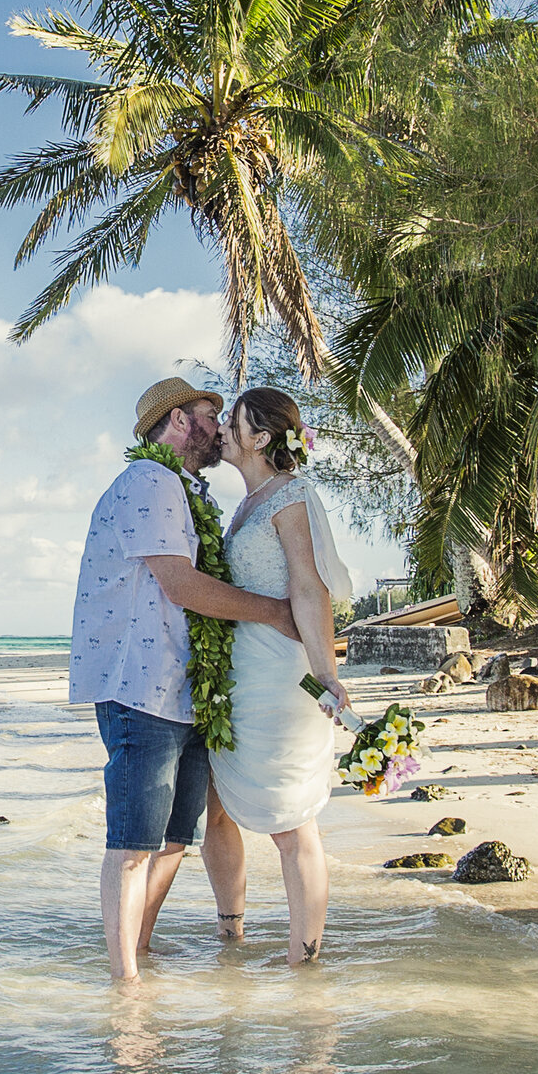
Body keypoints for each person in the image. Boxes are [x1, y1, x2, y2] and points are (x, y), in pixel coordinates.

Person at [74, 376, 302, 982]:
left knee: (177, 837)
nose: (220, 422)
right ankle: (124, 990)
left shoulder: (183, 488)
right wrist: (279, 614)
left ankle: (139, 954)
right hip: (141, 689)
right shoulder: (150, 481)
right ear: (179, 421)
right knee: (132, 844)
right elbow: (182, 584)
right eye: (210, 412)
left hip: (185, 689)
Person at [209, 386, 360, 965]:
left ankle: (306, 958)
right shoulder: (248, 503)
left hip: (279, 675)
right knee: (217, 803)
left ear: (261, 438)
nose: (222, 427)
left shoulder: (290, 497)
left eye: (234, 421)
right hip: (239, 676)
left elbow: (308, 584)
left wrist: (326, 673)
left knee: (292, 822)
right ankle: (231, 935)